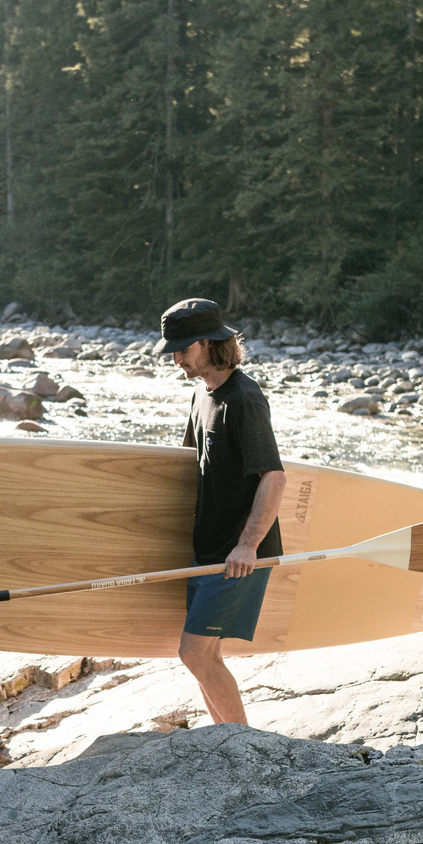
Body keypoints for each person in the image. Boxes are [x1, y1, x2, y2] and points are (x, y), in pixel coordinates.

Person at [153, 298, 286, 726]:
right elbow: (193, 466)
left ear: (209, 344)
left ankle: (240, 743)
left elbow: (273, 478)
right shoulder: (201, 394)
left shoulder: (245, 401)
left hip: (238, 555)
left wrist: (247, 546)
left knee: (192, 653)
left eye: (183, 349)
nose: (176, 359)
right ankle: (224, 737)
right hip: (208, 550)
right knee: (206, 655)